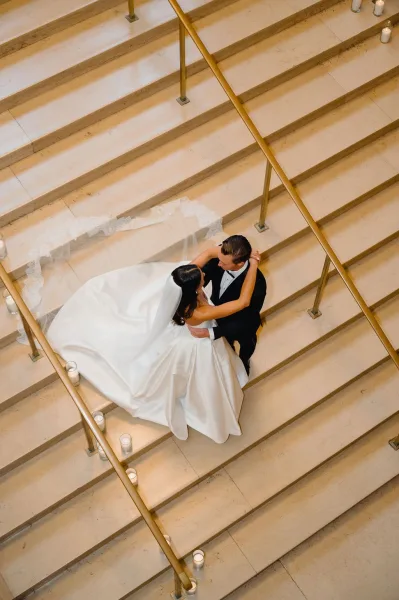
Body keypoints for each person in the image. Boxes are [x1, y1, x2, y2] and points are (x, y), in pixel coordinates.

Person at [47, 247, 261, 444]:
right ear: (195, 288)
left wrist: (222, 252)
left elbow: (206, 254)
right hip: (196, 344)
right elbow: (242, 303)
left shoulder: (179, 280)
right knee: (203, 376)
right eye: (202, 278)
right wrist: (252, 265)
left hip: (184, 330)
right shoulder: (197, 313)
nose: (205, 274)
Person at [188, 235, 266, 375]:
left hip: (240, 323)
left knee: (246, 345)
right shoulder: (221, 257)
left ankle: (244, 362)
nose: (218, 264)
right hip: (215, 310)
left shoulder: (258, 285)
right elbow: (203, 275)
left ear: (240, 263)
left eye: (224, 264)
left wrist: (212, 332)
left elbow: (247, 318)